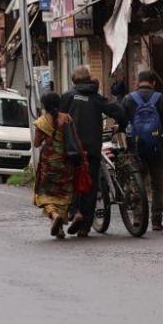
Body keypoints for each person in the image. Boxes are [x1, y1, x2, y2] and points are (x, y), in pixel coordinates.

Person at [58, 67, 126, 237]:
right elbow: (117, 111)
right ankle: (85, 227)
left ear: (74, 80)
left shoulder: (68, 96)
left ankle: (75, 212)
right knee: (90, 185)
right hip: (93, 148)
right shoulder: (96, 97)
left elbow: (58, 119)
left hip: (72, 148)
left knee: (72, 182)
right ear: (89, 79)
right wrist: (122, 125)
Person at [122, 68, 163, 232]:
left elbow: (122, 122)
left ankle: (138, 219)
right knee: (157, 185)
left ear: (137, 83)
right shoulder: (161, 99)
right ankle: (156, 221)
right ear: (153, 83)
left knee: (135, 183)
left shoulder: (128, 99)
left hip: (135, 148)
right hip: (156, 148)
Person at [30, 91, 83, 239]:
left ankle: (54, 216)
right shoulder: (67, 118)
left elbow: (36, 143)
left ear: (44, 105)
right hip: (67, 161)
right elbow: (75, 139)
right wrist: (81, 157)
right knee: (65, 193)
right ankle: (75, 214)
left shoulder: (41, 122)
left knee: (45, 194)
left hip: (49, 163)